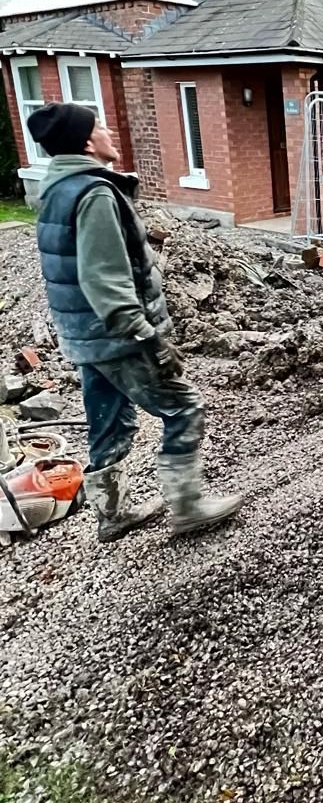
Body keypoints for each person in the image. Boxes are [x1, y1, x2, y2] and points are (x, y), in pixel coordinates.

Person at [26, 101, 243, 541]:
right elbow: (104, 277)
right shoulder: (95, 193)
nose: (109, 132)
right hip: (115, 335)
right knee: (183, 407)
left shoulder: (57, 188)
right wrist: (145, 334)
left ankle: (112, 513)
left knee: (109, 418)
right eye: (100, 126)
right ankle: (189, 507)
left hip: (84, 335)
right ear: (87, 142)